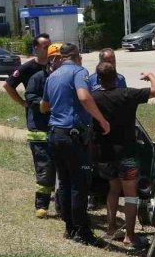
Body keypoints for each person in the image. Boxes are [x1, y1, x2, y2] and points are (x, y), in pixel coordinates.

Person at [42, 43, 111, 245]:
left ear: (61, 58)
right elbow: (84, 97)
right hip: (74, 136)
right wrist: (101, 119)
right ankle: (83, 232)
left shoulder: (52, 75)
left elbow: (44, 106)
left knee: (63, 182)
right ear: (78, 56)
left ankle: (69, 228)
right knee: (79, 184)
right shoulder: (79, 72)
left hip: (55, 134)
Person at [92, 63, 155, 249]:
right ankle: (130, 237)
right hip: (127, 155)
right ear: (116, 77)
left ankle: (111, 228)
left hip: (105, 155)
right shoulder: (127, 94)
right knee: (130, 195)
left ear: (98, 79)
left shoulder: (94, 98)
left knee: (113, 189)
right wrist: (150, 74)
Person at [4, 34, 54, 216]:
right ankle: (42, 203)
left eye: (50, 45)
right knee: (43, 164)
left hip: (55, 121)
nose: (48, 49)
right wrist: (23, 103)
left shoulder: (56, 68)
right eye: (44, 46)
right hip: (37, 119)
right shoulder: (28, 68)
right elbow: (8, 86)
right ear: (36, 48)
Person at [22, 45, 62, 218]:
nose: (63, 61)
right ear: (52, 59)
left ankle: (61, 207)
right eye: (60, 58)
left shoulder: (66, 78)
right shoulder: (38, 78)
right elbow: (30, 96)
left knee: (63, 170)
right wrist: (45, 105)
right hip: (40, 131)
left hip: (60, 131)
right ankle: (42, 205)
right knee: (45, 170)